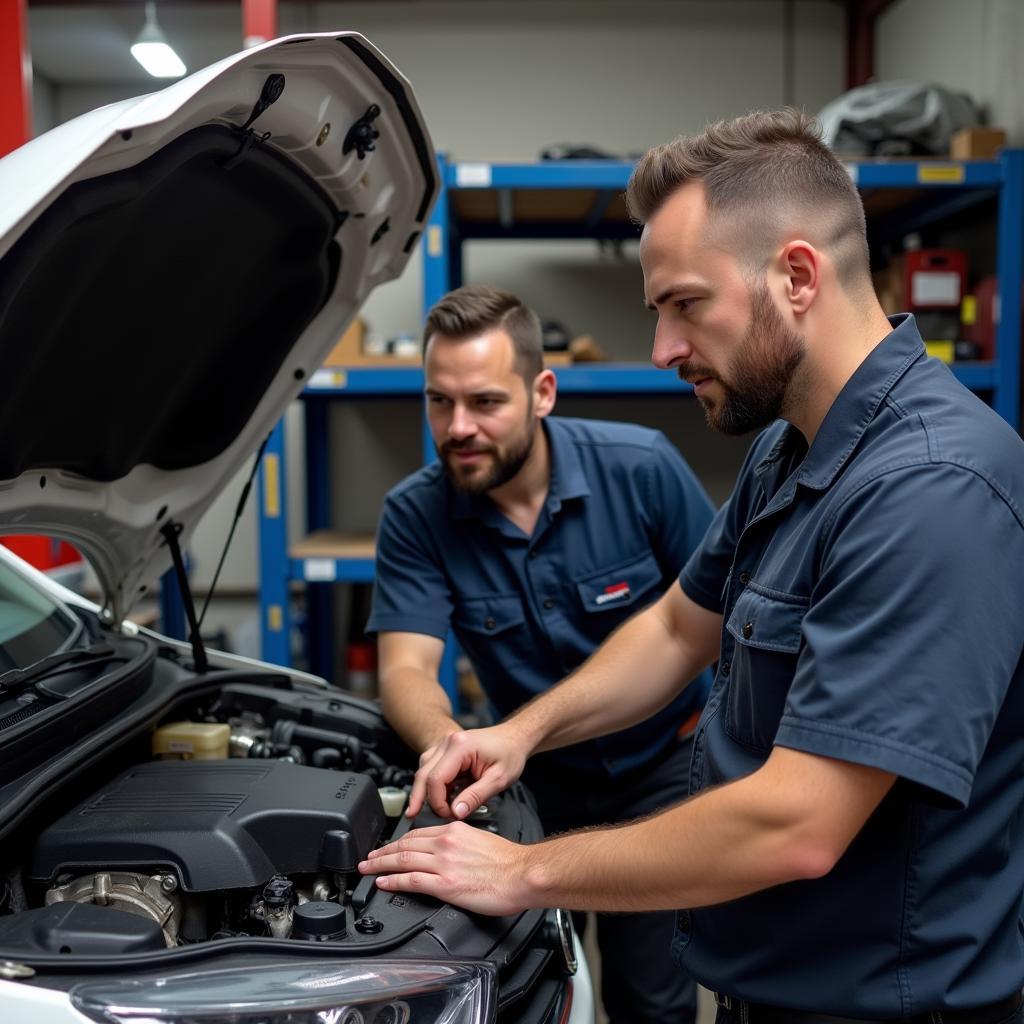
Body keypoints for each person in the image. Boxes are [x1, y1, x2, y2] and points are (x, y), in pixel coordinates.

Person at [360, 109, 1024, 1023]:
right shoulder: (792, 450)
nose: (665, 349)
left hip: (882, 1003)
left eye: (686, 304)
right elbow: (678, 628)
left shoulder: (930, 490)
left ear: (796, 276)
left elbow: (797, 822)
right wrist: (523, 734)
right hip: (774, 977)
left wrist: (524, 873)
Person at [366, 284, 715, 1024]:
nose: (458, 428)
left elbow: (724, 622)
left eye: (485, 403)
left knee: (653, 1000)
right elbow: (405, 666)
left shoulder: (643, 469)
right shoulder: (414, 514)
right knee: (527, 988)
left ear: (541, 393)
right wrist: (447, 744)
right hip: (527, 788)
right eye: (439, 402)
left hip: (663, 774)